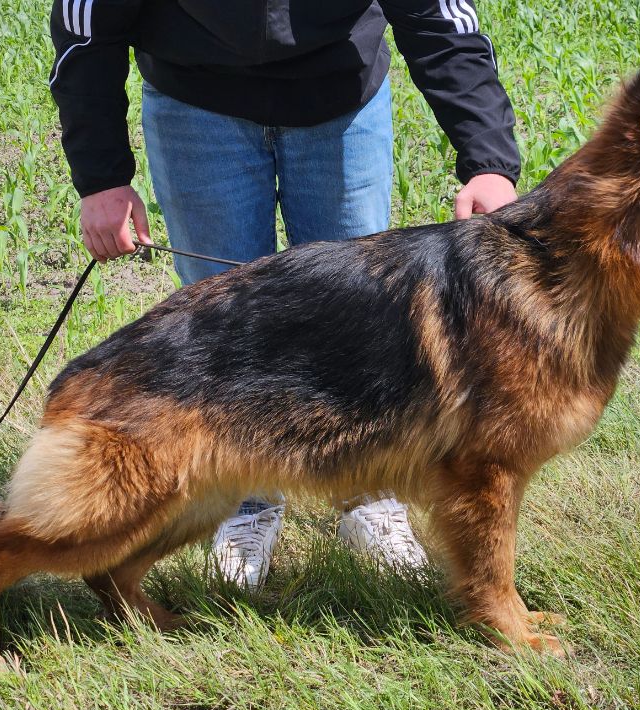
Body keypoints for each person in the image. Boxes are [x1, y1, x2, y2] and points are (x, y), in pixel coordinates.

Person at [49, 0, 521, 589]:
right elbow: (87, 23)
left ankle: (368, 497)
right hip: (196, 102)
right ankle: (242, 500)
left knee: (361, 329)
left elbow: (437, 16)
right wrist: (102, 178)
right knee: (221, 332)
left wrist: (488, 160)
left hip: (339, 97)